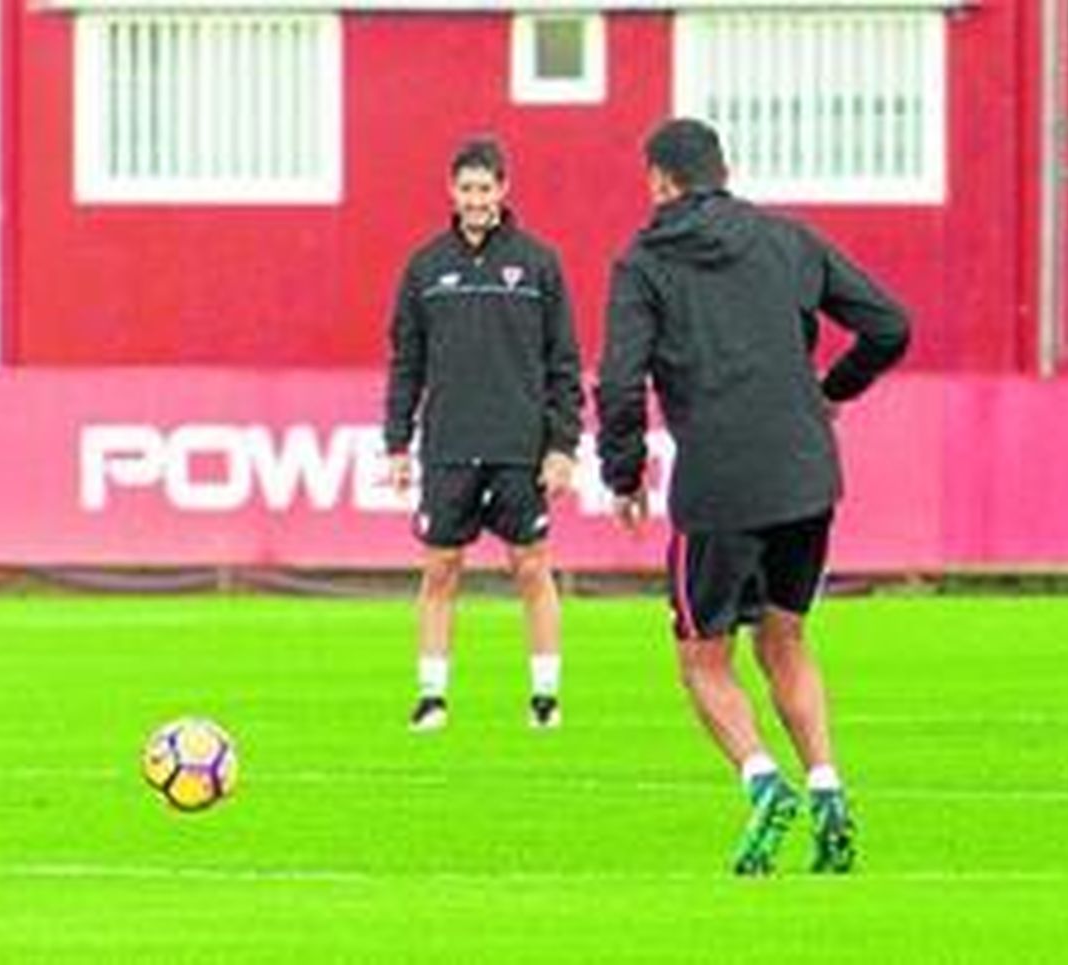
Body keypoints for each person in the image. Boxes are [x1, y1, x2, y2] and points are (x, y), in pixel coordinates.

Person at [596, 118, 910, 873]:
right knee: (785, 639)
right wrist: (833, 390)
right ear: (724, 171)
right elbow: (890, 325)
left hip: (719, 481)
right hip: (806, 474)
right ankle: (828, 787)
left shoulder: (643, 262)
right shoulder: (787, 239)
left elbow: (620, 379)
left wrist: (624, 471)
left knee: (702, 658)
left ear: (659, 181)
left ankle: (764, 782)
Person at [383, 137, 583, 733]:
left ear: (503, 189)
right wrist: (397, 443)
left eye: (485, 188)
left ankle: (545, 696)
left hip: (520, 445)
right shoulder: (425, 267)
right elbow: (407, 362)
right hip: (449, 444)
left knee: (531, 568)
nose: (475, 199)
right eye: (466, 188)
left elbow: (564, 362)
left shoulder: (539, 263)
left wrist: (563, 445)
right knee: (441, 569)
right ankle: (431, 696)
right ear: (453, 191)